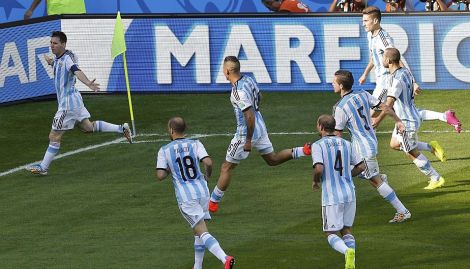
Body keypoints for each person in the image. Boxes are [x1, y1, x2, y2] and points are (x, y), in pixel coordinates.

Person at [209, 56, 309, 213]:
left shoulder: (237, 92)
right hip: (260, 126)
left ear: (227, 71)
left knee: (226, 167)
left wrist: (248, 140)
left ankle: (212, 203)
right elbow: (259, 96)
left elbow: (248, 116)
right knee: (272, 159)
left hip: (246, 133)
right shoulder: (249, 80)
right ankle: (303, 150)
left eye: (223, 69)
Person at [26, 31, 132, 176]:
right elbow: (59, 65)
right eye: (51, 43)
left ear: (63, 44)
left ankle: (43, 167)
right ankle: (122, 129)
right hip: (76, 100)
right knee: (88, 127)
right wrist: (50, 62)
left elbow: (76, 70)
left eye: (55, 43)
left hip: (67, 104)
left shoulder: (68, 59)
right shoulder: (60, 58)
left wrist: (88, 83)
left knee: (54, 135)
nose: (52, 46)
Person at [359, 6, 462, 133]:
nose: (363, 24)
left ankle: (366, 144)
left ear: (375, 21)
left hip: (387, 81)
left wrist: (412, 82)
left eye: (365, 21)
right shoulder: (370, 35)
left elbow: (396, 58)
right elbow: (374, 57)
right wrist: (365, 74)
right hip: (381, 80)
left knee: (372, 111)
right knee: (408, 112)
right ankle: (444, 116)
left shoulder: (384, 39)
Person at [332, 69, 411, 223]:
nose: (331, 84)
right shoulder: (363, 93)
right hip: (367, 142)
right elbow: (386, 107)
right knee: (350, 172)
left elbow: (338, 135)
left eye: (334, 82)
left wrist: (336, 154)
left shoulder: (340, 108)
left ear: (341, 86)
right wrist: (398, 121)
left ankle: (403, 211)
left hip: (363, 148)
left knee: (372, 180)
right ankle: (380, 177)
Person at [155, 117, 235, 269]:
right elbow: (209, 162)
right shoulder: (196, 143)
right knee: (197, 231)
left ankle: (225, 258)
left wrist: (170, 169)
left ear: (171, 130)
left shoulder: (164, 150)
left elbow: (160, 176)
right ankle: (197, 266)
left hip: (186, 197)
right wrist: (207, 176)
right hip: (202, 191)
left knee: (202, 232)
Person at [373, 48, 446, 190]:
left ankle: (435, 177)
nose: (381, 60)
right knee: (394, 144)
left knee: (411, 152)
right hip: (408, 116)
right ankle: (431, 147)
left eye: (383, 58)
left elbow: (389, 103)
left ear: (388, 61)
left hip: (406, 122)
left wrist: (378, 120)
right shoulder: (404, 72)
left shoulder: (396, 80)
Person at [311, 115, 364, 269]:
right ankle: (351, 264)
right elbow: (361, 166)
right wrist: (348, 175)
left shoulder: (318, 145)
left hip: (332, 196)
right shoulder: (347, 144)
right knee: (346, 229)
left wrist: (315, 181)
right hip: (350, 193)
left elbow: (319, 168)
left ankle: (347, 252)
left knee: (330, 233)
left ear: (321, 127)